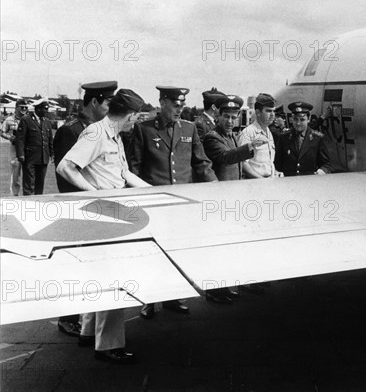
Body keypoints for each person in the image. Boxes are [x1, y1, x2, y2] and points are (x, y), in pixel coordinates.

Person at [57, 88, 149, 364]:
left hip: (113, 212)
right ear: (130, 115)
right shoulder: (97, 133)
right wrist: (94, 197)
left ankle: (88, 332)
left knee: (97, 275)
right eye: (136, 117)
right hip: (103, 213)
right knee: (114, 277)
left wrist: (156, 192)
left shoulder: (114, 135)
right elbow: (65, 167)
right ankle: (108, 345)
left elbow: (123, 173)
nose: (136, 121)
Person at [129, 85, 217, 317]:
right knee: (153, 253)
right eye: (176, 105)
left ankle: (173, 296)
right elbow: (135, 168)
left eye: (183, 106)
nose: (180, 110)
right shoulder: (144, 129)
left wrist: (216, 188)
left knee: (177, 252)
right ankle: (149, 299)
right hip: (155, 204)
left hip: (181, 204)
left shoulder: (188, 128)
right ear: (163, 103)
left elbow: (201, 163)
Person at [51, 81, 117, 337]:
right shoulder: (70, 130)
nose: (111, 107)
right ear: (94, 102)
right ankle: (67, 318)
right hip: (78, 207)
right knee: (75, 263)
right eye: (108, 102)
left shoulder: (100, 129)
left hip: (97, 207)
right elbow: (65, 174)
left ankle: (87, 319)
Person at [202, 95, 269, 303]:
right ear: (219, 117)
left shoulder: (231, 136)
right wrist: (251, 147)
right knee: (218, 245)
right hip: (219, 200)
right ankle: (214, 290)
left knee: (230, 244)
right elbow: (225, 157)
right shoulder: (213, 137)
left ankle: (227, 285)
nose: (230, 121)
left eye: (234, 117)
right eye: (226, 117)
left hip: (233, 198)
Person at [275, 101, 333, 177]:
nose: (298, 123)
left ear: (308, 119)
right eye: (295, 119)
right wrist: (277, 172)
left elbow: (327, 164)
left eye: (302, 120)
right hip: (288, 184)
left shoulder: (317, 139)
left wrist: (322, 171)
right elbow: (277, 163)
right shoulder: (284, 138)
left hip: (309, 184)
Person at [15, 99, 53, 195]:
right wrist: (21, 155)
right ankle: (27, 205)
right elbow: (20, 139)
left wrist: (52, 154)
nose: (46, 111)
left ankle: (38, 205)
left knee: (40, 185)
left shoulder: (47, 121)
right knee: (29, 185)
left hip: (43, 158)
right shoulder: (26, 120)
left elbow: (50, 139)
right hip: (30, 158)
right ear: (38, 109)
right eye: (45, 109)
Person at [239, 93, 280, 179]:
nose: (272, 114)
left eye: (273, 111)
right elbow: (242, 163)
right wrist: (260, 179)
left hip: (268, 181)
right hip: (254, 182)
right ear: (258, 112)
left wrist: (275, 172)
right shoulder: (248, 133)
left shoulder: (268, 132)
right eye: (268, 111)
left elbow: (267, 162)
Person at [0, 99, 28, 195]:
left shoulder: (29, 119)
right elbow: (1, 132)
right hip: (15, 150)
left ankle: (28, 195)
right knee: (15, 175)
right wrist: (9, 137)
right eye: (22, 107)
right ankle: (14, 196)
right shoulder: (9, 120)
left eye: (26, 107)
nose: (24, 109)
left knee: (29, 175)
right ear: (16, 108)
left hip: (27, 149)